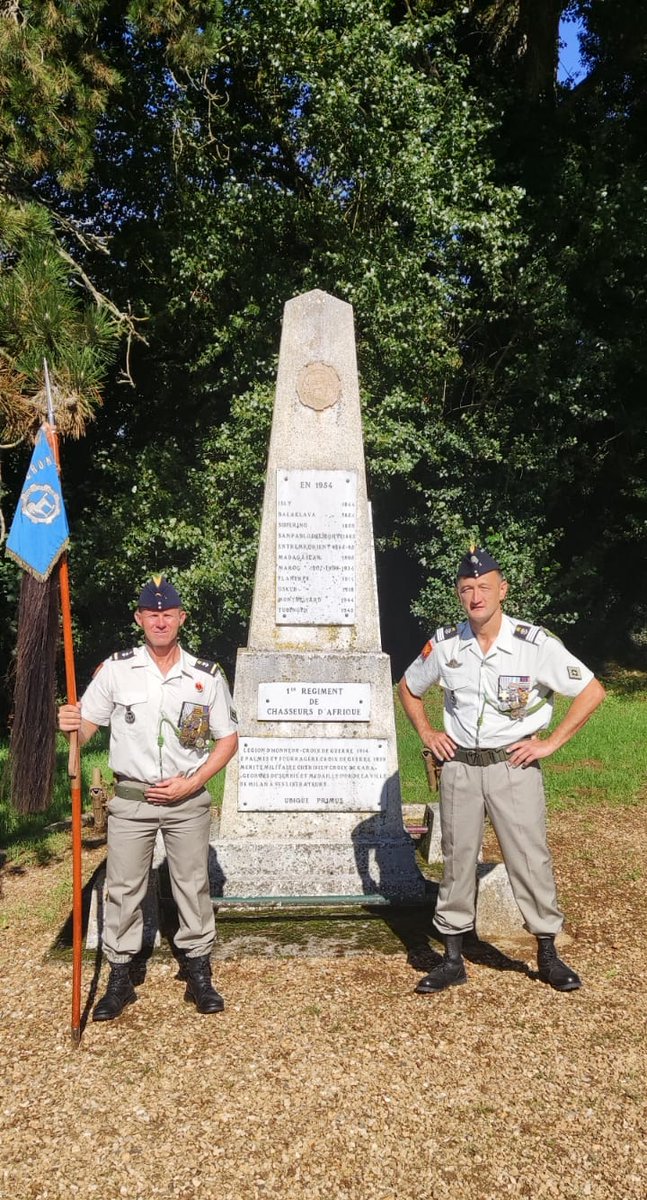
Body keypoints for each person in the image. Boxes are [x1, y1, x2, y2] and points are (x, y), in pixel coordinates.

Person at [398, 546, 605, 995]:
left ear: (502, 590)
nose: (476, 597)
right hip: (460, 769)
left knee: (529, 858)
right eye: (467, 589)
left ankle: (547, 953)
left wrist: (550, 743)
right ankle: (452, 957)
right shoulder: (447, 644)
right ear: (459, 594)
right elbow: (409, 688)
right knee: (456, 861)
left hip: (512, 765)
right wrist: (428, 734)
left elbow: (591, 690)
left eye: (484, 588)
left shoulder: (535, 645)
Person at [58, 575, 238, 1021]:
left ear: (181, 618)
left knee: (192, 885)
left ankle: (198, 970)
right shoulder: (116, 670)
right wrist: (68, 724)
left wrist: (192, 783)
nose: (160, 621)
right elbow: (86, 730)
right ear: (140, 618)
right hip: (132, 800)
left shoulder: (205, 676)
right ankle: (120, 975)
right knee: (122, 887)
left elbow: (228, 741)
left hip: (186, 798)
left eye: (167, 613)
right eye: (151, 614)